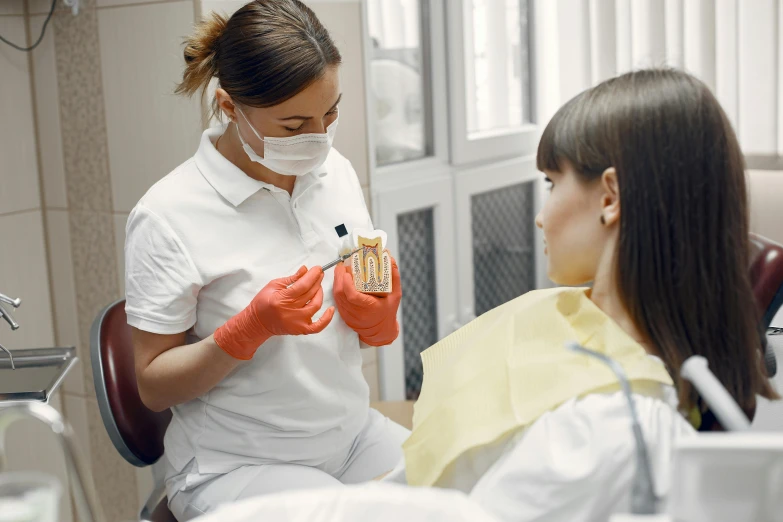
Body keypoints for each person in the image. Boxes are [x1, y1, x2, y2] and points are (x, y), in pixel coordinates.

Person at [386, 68, 780, 521]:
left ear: (610, 197)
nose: (541, 217)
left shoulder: (613, 425)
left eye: (552, 183)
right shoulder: (554, 313)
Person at [123, 1, 408, 519]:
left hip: (348, 438)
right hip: (236, 464)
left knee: (460, 487)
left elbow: (371, 320)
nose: (318, 138)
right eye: (294, 125)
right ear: (230, 107)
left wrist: (379, 315)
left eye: (331, 113)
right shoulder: (167, 215)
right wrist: (246, 330)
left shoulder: (335, 172)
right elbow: (152, 386)